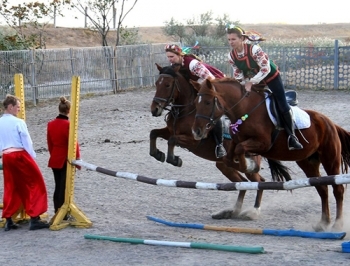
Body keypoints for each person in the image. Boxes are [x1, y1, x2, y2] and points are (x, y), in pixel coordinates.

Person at [226, 25, 303, 150]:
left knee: (282, 104)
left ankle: (292, 137)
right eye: (229, 40)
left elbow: (265, 69)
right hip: (254, 81)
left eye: (233, 39)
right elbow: (237, 73)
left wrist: (251, 82)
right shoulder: (231, 56)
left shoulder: (254, 49)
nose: (231, 42)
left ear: (242, 39)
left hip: (270, 77)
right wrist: (242, 83)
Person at [165, 44, 227, 158]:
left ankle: (220, 145)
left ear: (179, 55)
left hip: (216, 84)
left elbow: (211, 80)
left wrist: (201, 91)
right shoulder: (175, 64)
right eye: (168, 57)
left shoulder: (193, 64)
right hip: (199, 86)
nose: (170, 59)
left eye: (172, 56)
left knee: (211, 111)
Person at [0, 94, 50, 231]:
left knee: (11, 186)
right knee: (36, 183)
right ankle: (35, 217)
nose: (19, 110)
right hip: (20, 155)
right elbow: (26, 141)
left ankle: (8, 219)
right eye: (17, 107)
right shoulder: (18, 122)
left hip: (6, 156)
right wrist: (32, 156)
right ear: (10, 107)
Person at [47, 97, 80, 218]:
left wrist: (53, 155)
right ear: (69, 111)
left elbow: (50, 143)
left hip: (55, 158)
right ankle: (62, 212)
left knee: (58, 186)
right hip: (65, 159)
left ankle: (57, 210)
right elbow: (74, 144)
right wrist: (78, 160)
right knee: (64, 187)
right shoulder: (68, 125)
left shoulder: (50, 124)